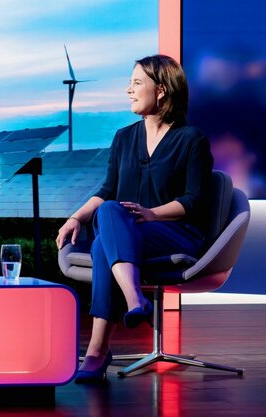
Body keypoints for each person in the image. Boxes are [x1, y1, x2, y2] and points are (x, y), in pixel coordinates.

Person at [55, 55, 214, 383]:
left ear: (162, 91)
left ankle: (99, 349)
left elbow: (195, 200)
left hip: (174, 232)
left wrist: (152, 213)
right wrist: (75, 217)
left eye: (137, 83)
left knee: (104, 241)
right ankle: (134, 300)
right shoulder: (123, 138)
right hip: (127, 232)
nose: (128, 90)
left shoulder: (191, 139)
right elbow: (108, 190)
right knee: (109, 215)